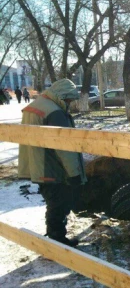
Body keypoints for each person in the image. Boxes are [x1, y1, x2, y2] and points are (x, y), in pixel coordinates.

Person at [18, 79, 86, 247]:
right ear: (62, 96)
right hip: (53, 168)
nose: (70, 103)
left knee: (53, 202)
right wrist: (74, 173)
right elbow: (64, 147)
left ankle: (55, 238)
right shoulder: (54, 112)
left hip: (38, 165)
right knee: (59, 204)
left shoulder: (37, 105)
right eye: (69, 100)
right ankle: (57, 242)